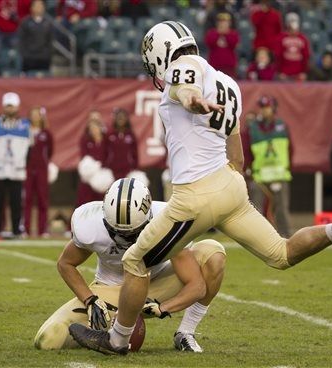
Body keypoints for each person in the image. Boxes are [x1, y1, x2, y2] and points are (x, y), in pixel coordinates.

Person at [68, 21, 332, 356]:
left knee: (135, 261)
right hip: (231, 185)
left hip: (195, 194)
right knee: (282, 253)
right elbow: (237, 156)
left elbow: (184, 88)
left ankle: (117, 341)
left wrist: (193, 100)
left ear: (161, 52)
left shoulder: (182, 67)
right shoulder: (229, 84)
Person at [35, 178, 226, 352]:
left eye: (132, 233)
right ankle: (106, 331)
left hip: (157, 287)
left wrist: (164, 307)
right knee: (47, 340)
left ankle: (185, 332)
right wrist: (89, 300)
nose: (124, 239)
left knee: (212, 252)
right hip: (111, 292)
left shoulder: (167, 219)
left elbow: (197, 285)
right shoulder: (90, 225)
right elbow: (66, 263)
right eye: (116, 232)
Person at [243, 96, 292, 238]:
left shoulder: (282, 126)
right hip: (259, 176)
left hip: (280, 175)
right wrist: (247, 169)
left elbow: (290, 150)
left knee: (282, 209)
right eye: (262, 107)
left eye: (267, 107)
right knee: (256, 209)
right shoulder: (252, 128)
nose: (264, 111)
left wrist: (287, 167)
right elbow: (247, 151)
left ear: (274, 108)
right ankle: (258, 237)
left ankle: (285, 236)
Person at [0, 92, 31, 236]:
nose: (9, 109)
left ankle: (16, 229)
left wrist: (24, 165)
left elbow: (30, 148)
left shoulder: (25, 125)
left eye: (12, 106)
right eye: (7, 106)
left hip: (17, 171)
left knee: (16, 202)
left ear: (17, 107)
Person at [23, 107, 53, 237]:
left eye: (37, 115)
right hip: (28, 169)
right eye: (33, 115)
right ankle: (25, 229)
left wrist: (43, 163)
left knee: (42, 199)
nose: (35, 117)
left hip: (41, 170)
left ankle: (43, 230)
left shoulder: (46, 133)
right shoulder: (25, 132)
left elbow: (50, 151)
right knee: (26, 199)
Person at [76, 111, 112, 207]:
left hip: (102, 176)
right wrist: (92, 169)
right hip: (89, 175)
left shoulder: (106, 138)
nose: (94, 126)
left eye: (96, 121)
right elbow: (84, 157)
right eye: (92, 120)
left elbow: (110, 155)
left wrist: (104, 168)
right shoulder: (85, 139)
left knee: (102, 201)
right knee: (84, 200)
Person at [18, 0, 53, 73]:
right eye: (36, 5)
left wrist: (47, 54)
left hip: (44, 58)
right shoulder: (25, 22)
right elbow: (21, 40)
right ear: (31, 8)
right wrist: (25, 55)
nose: (39, 7)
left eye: (40, 5)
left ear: (44, 7)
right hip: (29, 59)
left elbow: (50, 41)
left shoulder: (48, 23)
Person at [273, 12, 310, 81]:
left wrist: (304, 72)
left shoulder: (303, 39)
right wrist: (279, 71)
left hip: (298, 74)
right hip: (284, 74)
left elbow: (306, 56)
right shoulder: (281, 38)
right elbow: (278, 56)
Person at [105, 109, 139, 180]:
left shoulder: (131, 135)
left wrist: (135, 168)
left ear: (126, 119)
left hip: (127, 170)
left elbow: (135, 153)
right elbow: (105, 152)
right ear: (115, 119)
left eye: (123, 117)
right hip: (112, 170)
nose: (121, 119)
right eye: (119, 117)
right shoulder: (109, 134)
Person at [204, 12, 239, 79]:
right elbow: (209, 42)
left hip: (229, 67)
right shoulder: (212, 33)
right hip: (214, 66)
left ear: (229, 23)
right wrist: (218, 33)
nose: (223, 24)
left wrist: (226, 33)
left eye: (225, 22)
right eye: (221, 22)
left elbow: (233, 43)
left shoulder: (233, 33)